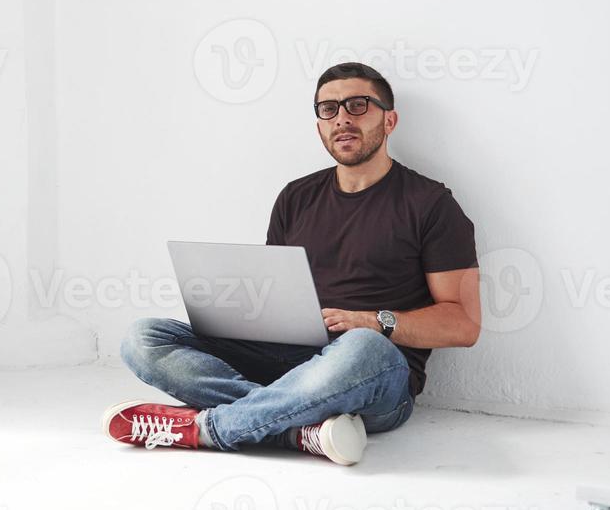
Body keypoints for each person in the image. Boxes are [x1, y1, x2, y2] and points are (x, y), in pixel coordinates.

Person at [104, 62, 481, 464]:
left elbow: (464, 325)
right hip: (287, 362)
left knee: (364, 346)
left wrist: (375, 321)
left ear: (389, 120)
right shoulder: (296, 197)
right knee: (144, 337)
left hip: (369, 372)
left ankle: (209, 429)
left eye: (358, 105)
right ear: (319, 124)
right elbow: (276, 293)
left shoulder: (431, 204)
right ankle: (300, 428)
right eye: (328, 109)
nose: (342, 119)